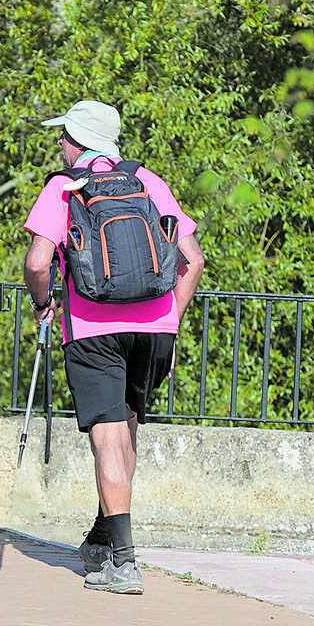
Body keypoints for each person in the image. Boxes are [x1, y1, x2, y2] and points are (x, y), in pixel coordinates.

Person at [22, 99, 205, 594]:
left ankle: (123, 563)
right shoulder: (149, 181)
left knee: (107, 438)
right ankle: (103, 540)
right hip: (155, 328)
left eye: (63, 136)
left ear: (78, 140)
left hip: (93, 329)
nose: (59, 144)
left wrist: (44, 304)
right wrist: (173, 318)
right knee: (125, 433)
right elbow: (193, 258)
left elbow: (39, 262)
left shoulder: (65, 188)